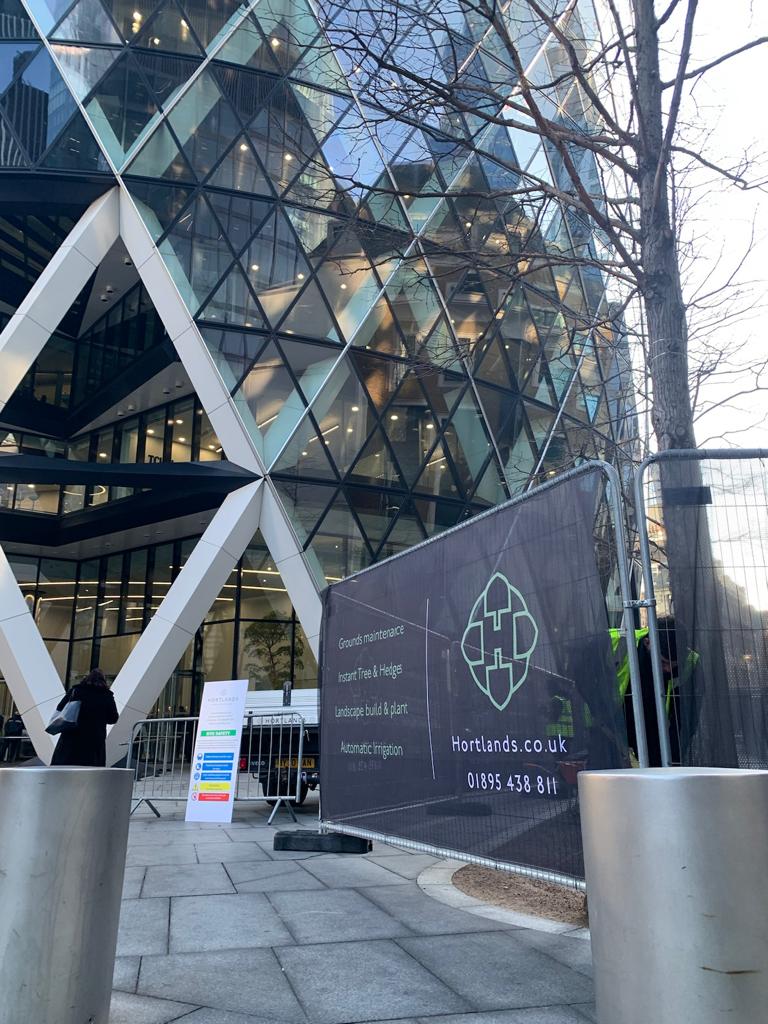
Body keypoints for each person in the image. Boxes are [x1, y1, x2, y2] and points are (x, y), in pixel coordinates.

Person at [51, 669, 119, 767]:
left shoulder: (76, 691)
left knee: (66, 767)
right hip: (94, 739)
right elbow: (113, 718)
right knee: (91, 771)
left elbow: (60, 708)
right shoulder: (106, 695)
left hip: (72, 736)